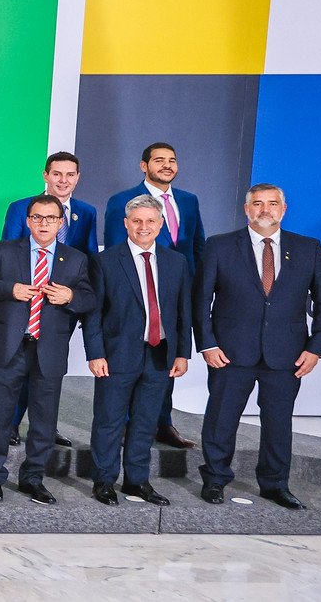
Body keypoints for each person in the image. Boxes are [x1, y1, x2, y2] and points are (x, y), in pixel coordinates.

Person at [195, 184, 321, 510]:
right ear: (247, 209)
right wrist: (208, 344)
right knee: (221, 420)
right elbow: (200, 300)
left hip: (287, 354)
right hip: (229, 353)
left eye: (272, 204)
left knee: (278, 423)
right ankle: (215, 480)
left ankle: (274, 485)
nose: (265, 209)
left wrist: (316, 348)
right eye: (257, 204)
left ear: (283, 209)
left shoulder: (308, 248)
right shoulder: (220, 246)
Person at [0, 195, 95, 503]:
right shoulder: (6, 251)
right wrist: (8, 290)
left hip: (50, 348)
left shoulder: (75, 258)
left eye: (50, 218)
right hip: (10, 346)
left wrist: (69, 296)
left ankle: (32, 478)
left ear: (60, 223)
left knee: (44, 419)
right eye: (37, 218)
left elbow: (90, 298)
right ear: (28, 221)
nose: (43, 223)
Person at [82, 195, 190, 507]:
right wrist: (95, 353)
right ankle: (104, 480)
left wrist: (182, 353)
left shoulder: (176, 262)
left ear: (161, 224)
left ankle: (137, 480)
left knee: (145, 421)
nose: (144, 227)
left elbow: (183, 313)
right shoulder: (105, 261)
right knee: (109, 420)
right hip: (116, 356)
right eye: (137, 221)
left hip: (159, 356)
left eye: (150, 221)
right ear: (126, 224)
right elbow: (94, 314)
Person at [104, 142, 205, 450]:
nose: (166, 165)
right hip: (135, 291)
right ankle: (121, 424)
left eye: (172, 160)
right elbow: (112, 250)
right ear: (143, 165)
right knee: (129, 361)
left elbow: (197, 246)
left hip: (175, 292)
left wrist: (198, 289)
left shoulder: (188, 201)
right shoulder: (121, 201)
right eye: (159, 160)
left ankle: (163, 423)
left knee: (167, 360)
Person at [0, 151, 97, 450]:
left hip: (60, 306)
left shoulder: (86, 212)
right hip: (25, 304)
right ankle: (11, 424)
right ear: (45, 175)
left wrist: (77, 300)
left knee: (48, 370)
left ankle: (44, 426)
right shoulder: (21, 208)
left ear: (77, 178)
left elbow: (89, 259)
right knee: (19, 367)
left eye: (70, 175)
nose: (63, 180)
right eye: (57, 174)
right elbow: (8, 253)